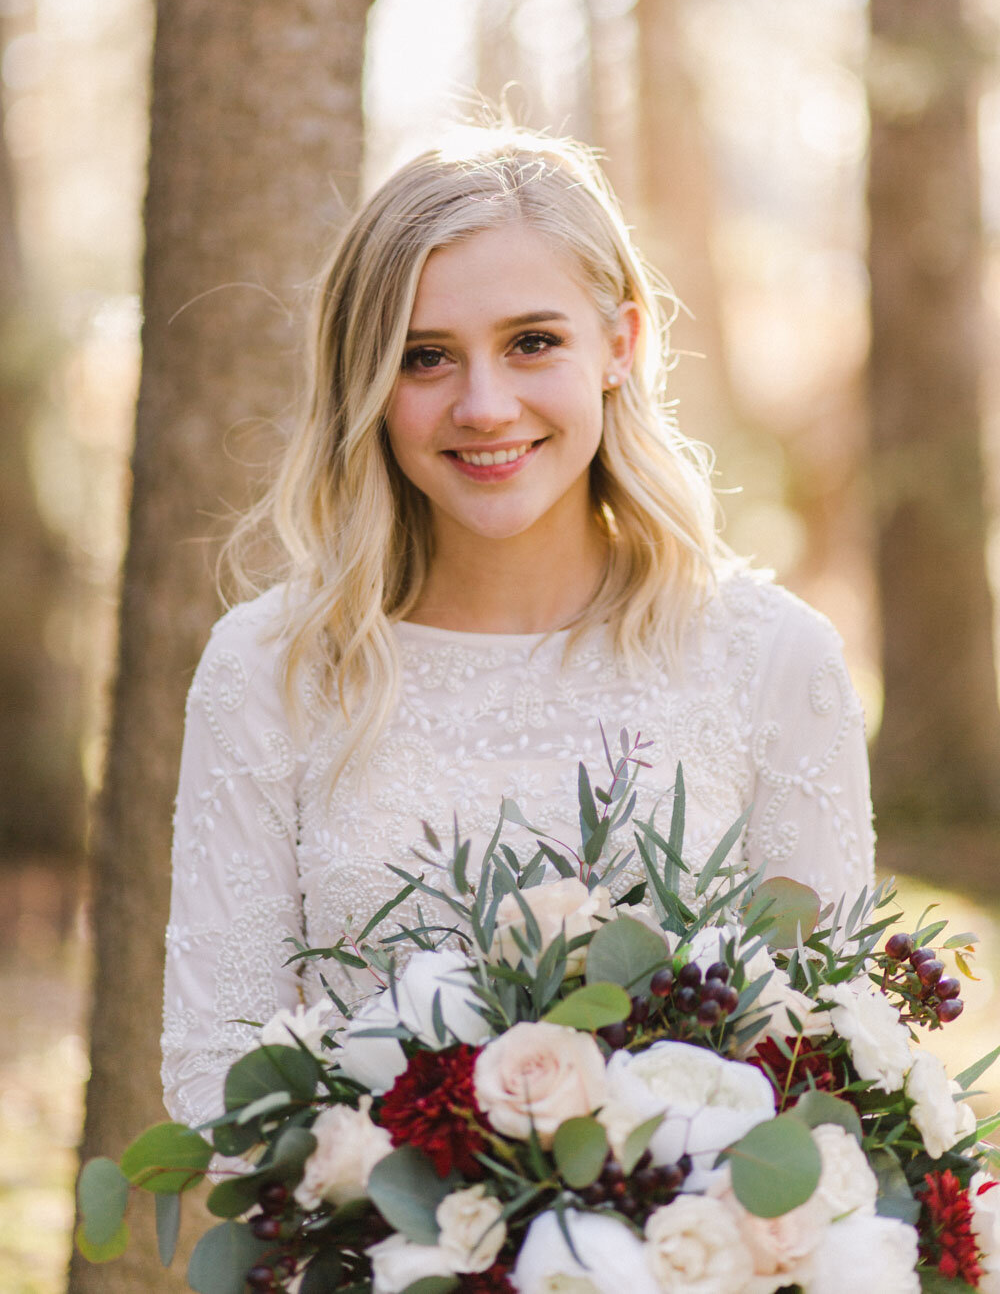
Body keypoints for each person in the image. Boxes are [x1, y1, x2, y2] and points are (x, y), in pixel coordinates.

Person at [161, 126, 875, 1130]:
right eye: (424, 358)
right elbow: (217, 1078)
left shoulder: (770, 660)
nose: (484, 405)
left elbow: (829, 1064)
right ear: (365, 382)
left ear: (618, 346)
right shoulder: (269, 667)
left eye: (531, 342)